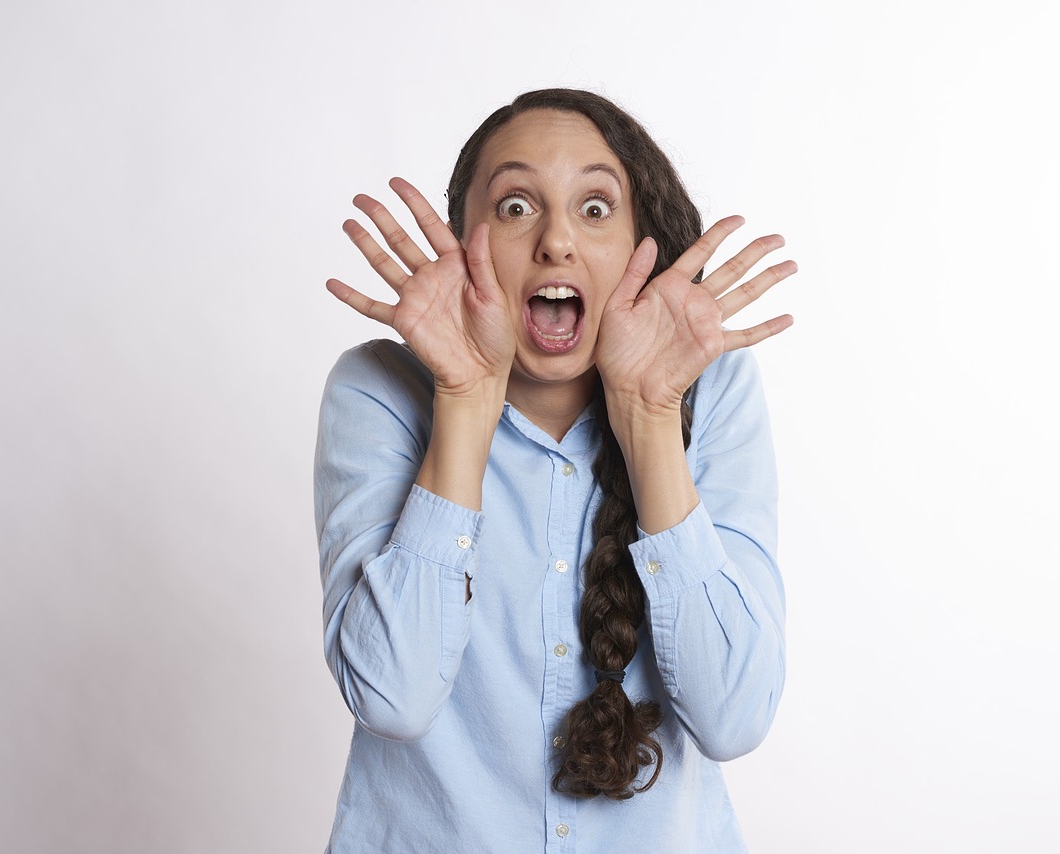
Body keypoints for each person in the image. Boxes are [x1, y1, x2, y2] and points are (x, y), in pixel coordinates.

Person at [315, 88, 796, 852]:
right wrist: (466, 399)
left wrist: (646, 417)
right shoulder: (380, 390)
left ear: (644, 244)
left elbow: (734, 715)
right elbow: (391, 696)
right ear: (461, 241)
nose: (557, 242)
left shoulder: (715, 389)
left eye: (596, 209)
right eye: (514, 207)